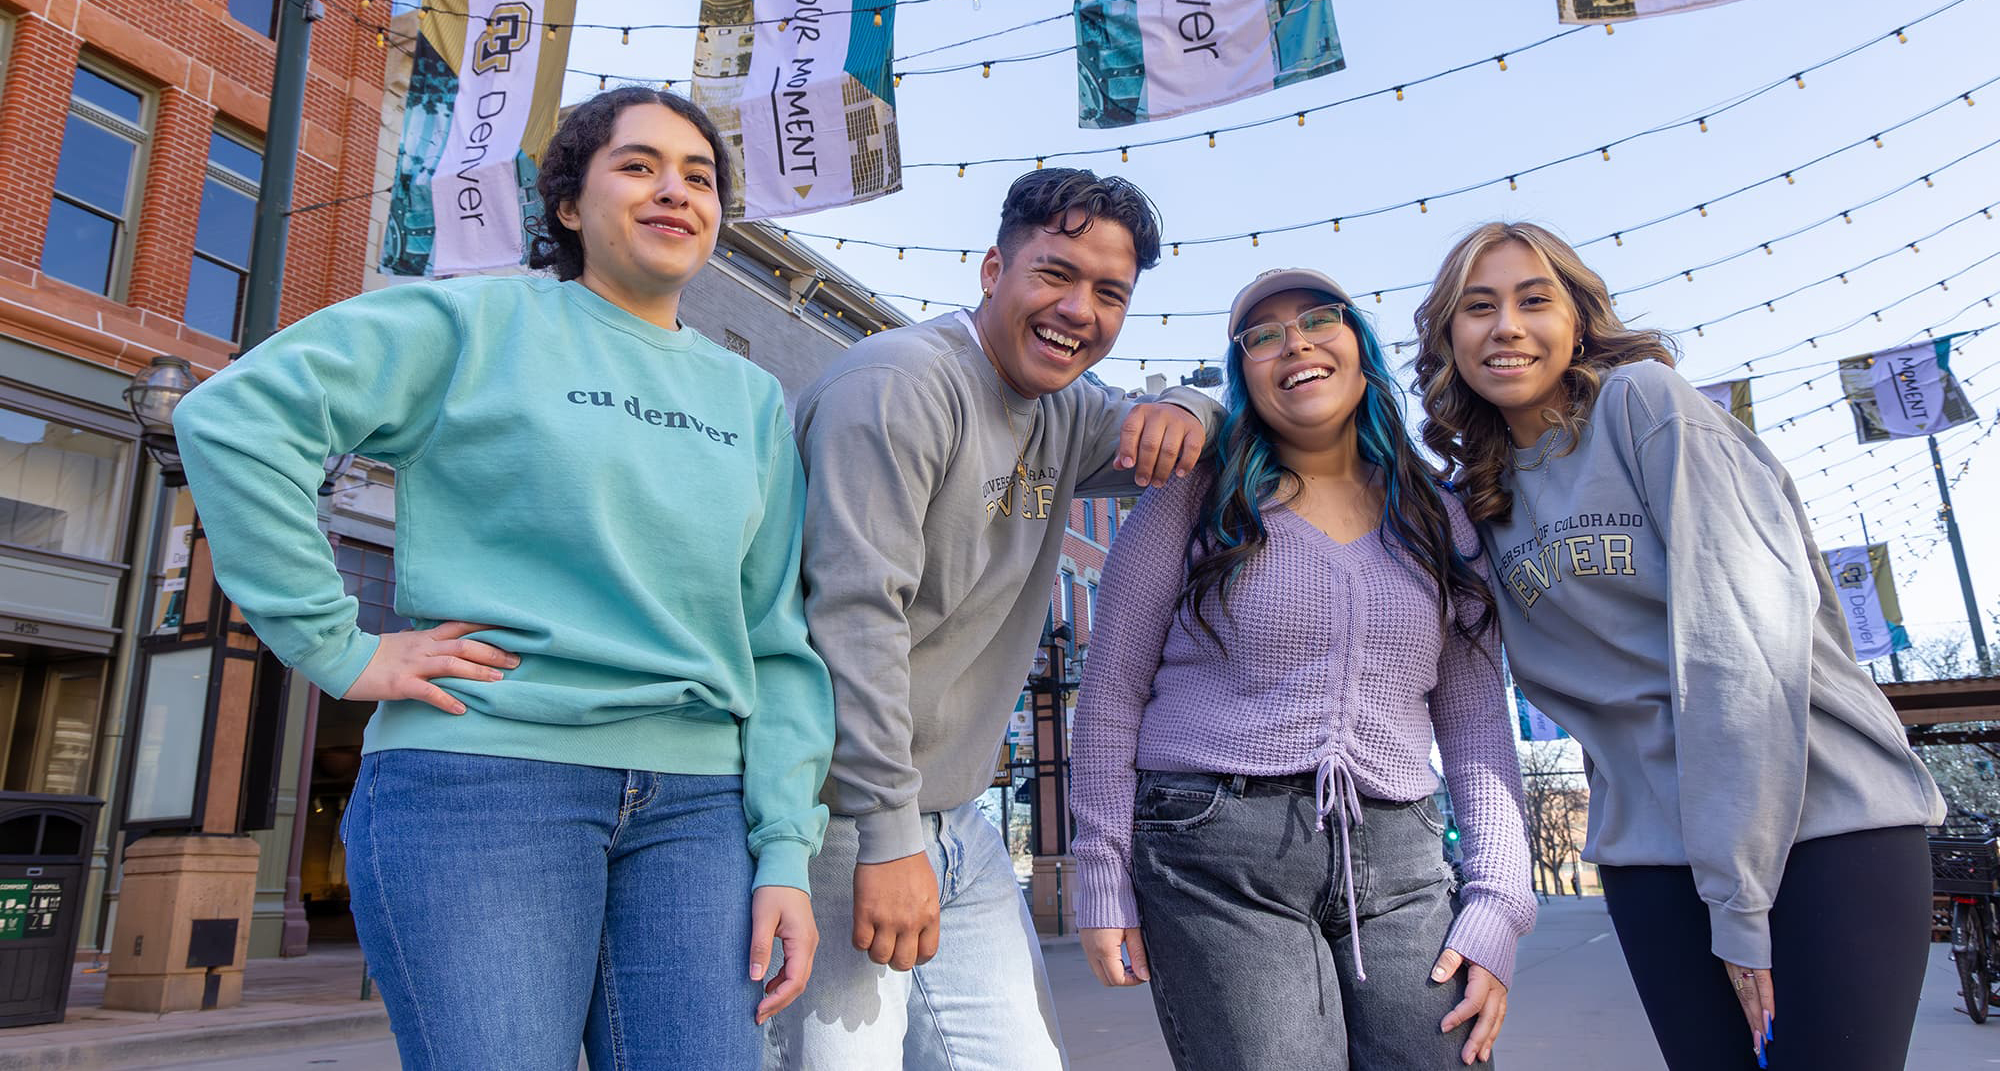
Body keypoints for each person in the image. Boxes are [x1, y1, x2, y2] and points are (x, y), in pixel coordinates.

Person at [173, 87, 833, 1071]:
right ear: (567, 204)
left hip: (698, 806)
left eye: (699, 177)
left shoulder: (747, 398)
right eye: (638, 164)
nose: (675, 192)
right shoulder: (473, 322)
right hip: (483, 785)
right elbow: (235, 418)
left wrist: (784, 846)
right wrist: (335, 645)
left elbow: (775, 639)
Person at [1411, 221, 1945, 1071]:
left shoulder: (1644, 405)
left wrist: (1739, 901)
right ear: (1447, 340)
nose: (1506, 325)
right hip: (1652, 855)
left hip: (1822, 824)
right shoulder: (1475, 500)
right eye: (1478, 308)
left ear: (1578, 320)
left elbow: (1742, 646)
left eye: (1533, 300)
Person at [764, 169, 1221, 1070]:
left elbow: (1208, 430)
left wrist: (1192, 403)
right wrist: (888, 838)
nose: (1078, 309)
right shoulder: (900, 386)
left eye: (1109, 292)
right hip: (838, 816)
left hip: (957, 823)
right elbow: (854, 620)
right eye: (1054, 274)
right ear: (990, 270)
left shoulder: (1069, 409)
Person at [1070, 268, 1535, 1071]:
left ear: (1359, 348)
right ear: (1245, 374)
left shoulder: (1436, 515)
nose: (1295, 344)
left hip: (1403, 861)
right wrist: (1100, 870)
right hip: (1215, 854)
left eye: (1319, 319)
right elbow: (1111, 690)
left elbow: (1475, 719)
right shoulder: (1195, 495)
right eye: (1262, 335)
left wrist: (1500, 898)